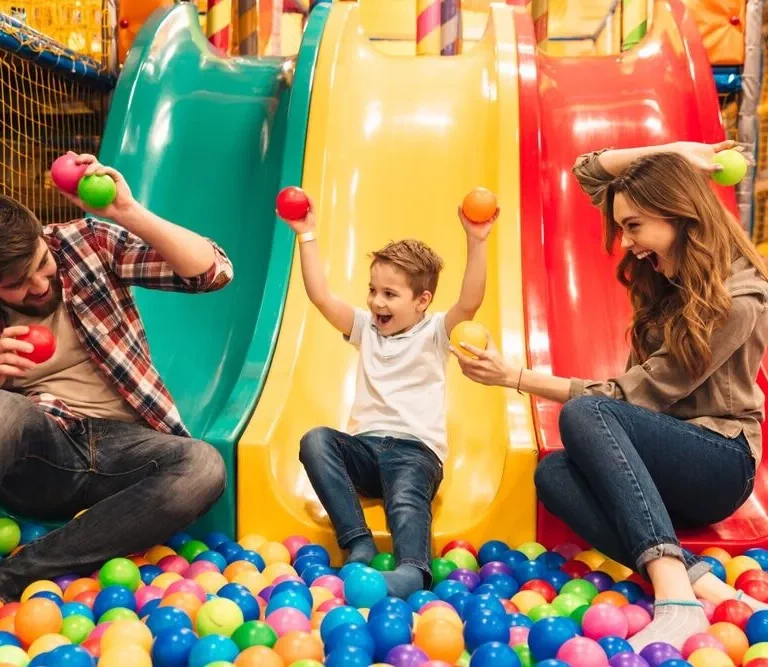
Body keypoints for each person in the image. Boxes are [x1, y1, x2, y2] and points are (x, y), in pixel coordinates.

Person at [451, 140, 768, 650]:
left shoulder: (739, 298)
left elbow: (632, 396)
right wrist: (676, 151)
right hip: (659, 468)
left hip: (718, 462)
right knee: (553, 472)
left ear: (679, 214)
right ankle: (699, 582)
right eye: (623, 226)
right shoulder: (669, 275)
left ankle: (675, 597)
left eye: (634, 226)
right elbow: (588, 171)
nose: (625, 242)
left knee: (586, 413)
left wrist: (514, 377)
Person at [0, 153, 232, 600]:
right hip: (43, 456)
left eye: (40, 264)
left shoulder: (84, 243)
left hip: (125, 449)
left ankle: (17, 576)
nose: (39, 285)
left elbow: (212, 272)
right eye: (17, 285)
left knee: (202, 465)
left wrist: (128, 212)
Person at [280, 197, 497, 598]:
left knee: (405, 500)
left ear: (422, 301)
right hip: (364, 450)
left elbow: (469, 302)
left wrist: (477, 240)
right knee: (315, 440)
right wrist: (306, 234)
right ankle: (357, 541)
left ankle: (413, 569)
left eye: (390, 294)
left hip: (414, 452)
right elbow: (322, 297)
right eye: (373, 290)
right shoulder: (366, 328)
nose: (377, 302)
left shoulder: (434, 334)